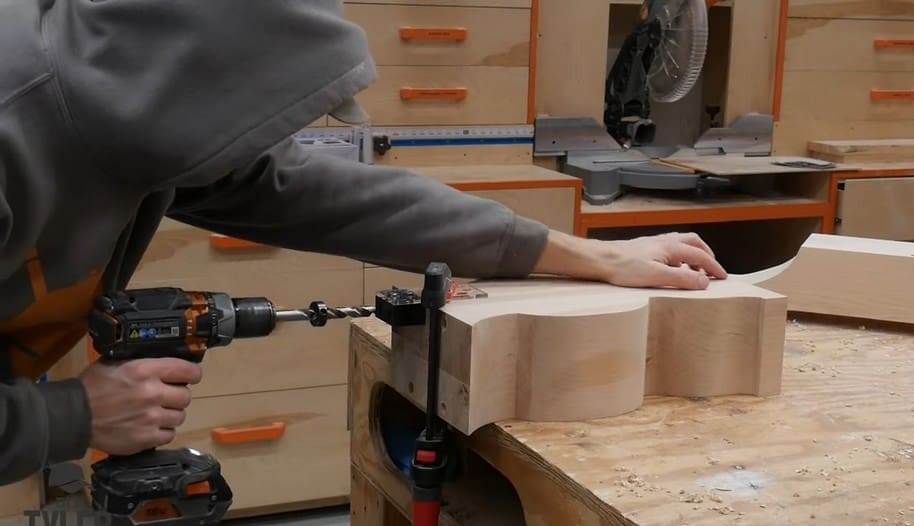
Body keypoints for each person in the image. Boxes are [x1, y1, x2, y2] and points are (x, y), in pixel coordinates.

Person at [0, 0, 726, 486]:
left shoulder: (138, 107)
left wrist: (592, 255)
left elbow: (339, 200)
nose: (274, 141)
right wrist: (67, 417)